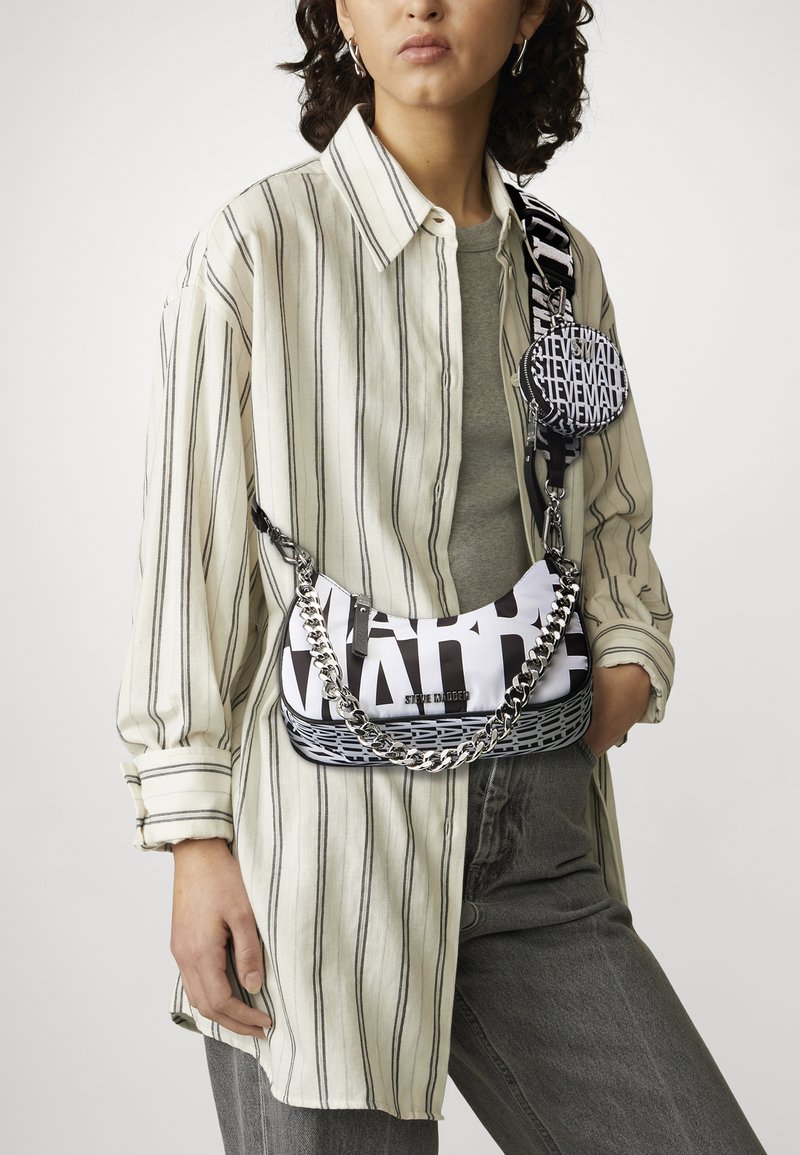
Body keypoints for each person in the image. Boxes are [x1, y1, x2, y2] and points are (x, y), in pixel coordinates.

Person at [116, 1, 769, 1151]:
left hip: (538, 839)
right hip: (325, 847)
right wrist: (196, 842)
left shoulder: (560, 267)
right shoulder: (260, 246)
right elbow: (188, 560)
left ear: (526, 15)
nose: (418, 3)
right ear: (341, 18)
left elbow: (606, 506)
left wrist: (624, 661)